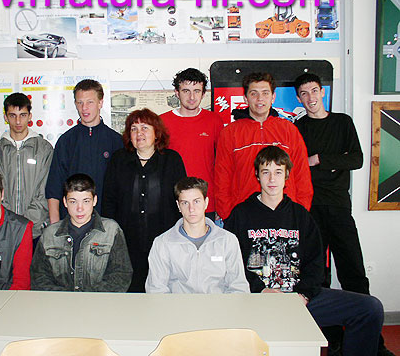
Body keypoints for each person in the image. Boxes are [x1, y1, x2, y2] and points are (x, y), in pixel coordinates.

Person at [224, 146, 384, 356]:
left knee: (370, 308)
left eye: (278, 172)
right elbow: (231, 263)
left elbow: (315, 263)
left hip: (299, 299)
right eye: (266, 172)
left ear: (287, 176)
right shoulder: (240, 215)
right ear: (257, 175)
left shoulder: (301, 216)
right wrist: (260, 290)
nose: (272, 179)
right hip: (257, 299)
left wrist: (304, 295)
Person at [294, 73, 394, 356]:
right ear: (299, 98)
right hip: (311, 208)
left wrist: (320, 159)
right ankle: (333, 342)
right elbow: (299, 167)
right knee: (319, 276)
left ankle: (375, 344)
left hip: (338, 206)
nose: (311, 98)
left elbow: (357, 159)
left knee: (354, 272)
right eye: (304, 93)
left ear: (322, 92)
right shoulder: (299, 127)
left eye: (314, 91)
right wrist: (331, 165)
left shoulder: (342, 122)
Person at [102, 108, 187, 292]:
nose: (139, 133)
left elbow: (182, 200)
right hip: (126, 242)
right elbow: (109, 200)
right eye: (134, 129)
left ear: (157, 133)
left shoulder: (172, 160)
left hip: (164, 240)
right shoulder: (119, 160)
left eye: (145, 128)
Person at [214, 72, 313, 220]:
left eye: (265, 93)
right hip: (244, 215)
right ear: (245, 98)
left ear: (273, 97)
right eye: (254, 93)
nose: (260, 99)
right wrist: (229, 215)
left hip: (285, 214)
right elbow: (222, 177)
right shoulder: (230, 132)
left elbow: (302, 174)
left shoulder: (289, 130)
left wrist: (300, 213)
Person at [145, 176, 249, 294]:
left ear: (206, 202)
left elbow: (238, 288)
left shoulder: (227, 240)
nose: (191, 209)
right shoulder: (162, 243)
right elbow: (156, 290)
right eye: (185, 203)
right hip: (177, 306)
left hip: (218, 305)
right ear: (178, 206)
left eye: (196, 201)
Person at [31, 173, 132, 292]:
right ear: (65, 202)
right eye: (73, 202)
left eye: (86, 201)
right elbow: (39, 276)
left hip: (99, 301)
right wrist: (65, 298)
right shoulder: (50, 234)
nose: (80, 208)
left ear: (95, 200)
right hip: (59, 301)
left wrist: (88, 298)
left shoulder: (111, 231)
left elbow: (121, 275)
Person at [45, 79, 123, 223]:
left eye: (90, 102)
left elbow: (123, 190)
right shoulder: (66, 141)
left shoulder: (116, 141)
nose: (84, 108)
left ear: (100, 103)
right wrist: (55, 225)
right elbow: (54, 187)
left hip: (107, 222)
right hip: (71, 223)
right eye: (80, 102)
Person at [160, 68, 224, 221]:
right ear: (177, 93)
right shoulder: (162, 122)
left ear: (203, 93)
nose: (191, 97)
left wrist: (220, 202)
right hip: (173, 201)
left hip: (206, 200)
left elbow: (222, 164)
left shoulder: (214, 121)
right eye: (186, 91)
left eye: (196, 91)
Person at [0, 93, 54, 249]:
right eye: (12, 115)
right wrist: (11, 223)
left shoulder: (44, 149)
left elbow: (44, 190)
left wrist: (26, 223)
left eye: (23, 115)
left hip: (36, 231)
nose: (18, 121)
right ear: (6, 117)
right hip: (5, 231)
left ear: (30, 116)